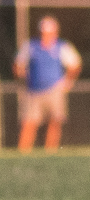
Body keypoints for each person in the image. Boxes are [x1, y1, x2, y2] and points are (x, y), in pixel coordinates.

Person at [11, 16, 81, 151]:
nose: (46, 36)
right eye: (44, 33)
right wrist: (22, 78)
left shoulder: (62, 46)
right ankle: (23, 152)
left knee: (54, 122)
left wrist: (67, 82)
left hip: (54, 89)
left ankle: (50, 151)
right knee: (29, 122)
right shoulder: (31, 46)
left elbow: (75, 65)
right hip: (34, 90)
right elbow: (18, 64)